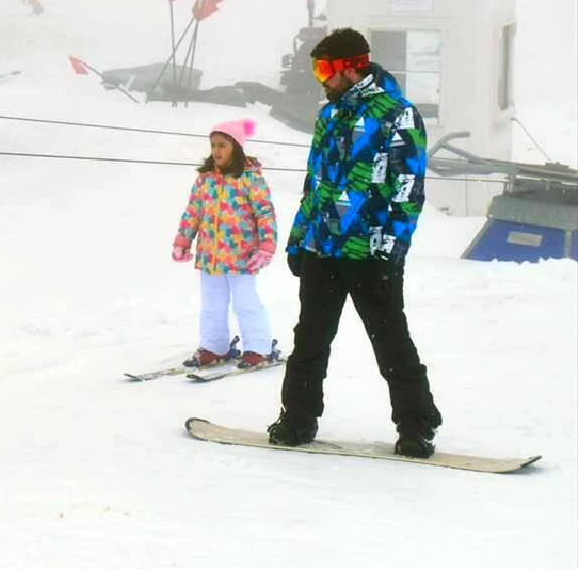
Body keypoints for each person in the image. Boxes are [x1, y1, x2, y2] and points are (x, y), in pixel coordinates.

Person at [269, 27, 442, 458]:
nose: (321, 79)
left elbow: (408, 189)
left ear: (355, 67)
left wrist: (390, 250)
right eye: (316, 69)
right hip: (321, 248)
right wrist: (298, 240)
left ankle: (416, 426)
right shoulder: (328, 117)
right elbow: (314, 183)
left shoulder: (396, 114)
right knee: (309, 340)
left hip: (370, 253)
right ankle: (298, 419)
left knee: (391, 342)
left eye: (326, 69)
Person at [172, 119, 279, 369]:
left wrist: (266, 246)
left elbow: (265, 213)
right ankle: (214, 347)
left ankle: (259, 348)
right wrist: (183, 241)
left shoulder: (250, 178)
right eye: (213, 146)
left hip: (242, 255)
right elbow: (193, 212)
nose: (216, 151)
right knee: (211, 304)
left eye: (222, 145)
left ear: (236, 147)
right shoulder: (204, 180)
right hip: (210, 256)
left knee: (246, 303)